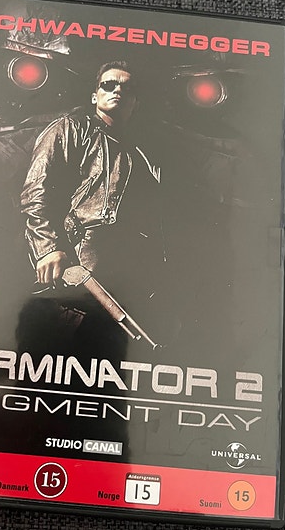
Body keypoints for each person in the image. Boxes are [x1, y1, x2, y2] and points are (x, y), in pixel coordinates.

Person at [20, 61, 171, 348]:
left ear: (136, 102)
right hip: (80, 260)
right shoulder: (71, 128)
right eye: (109, 85)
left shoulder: (142, 152)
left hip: (127, 270)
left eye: (127, 88)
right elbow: (37, 190)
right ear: (94, 95)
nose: (117, 91)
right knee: (62, 343)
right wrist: (47, 247)